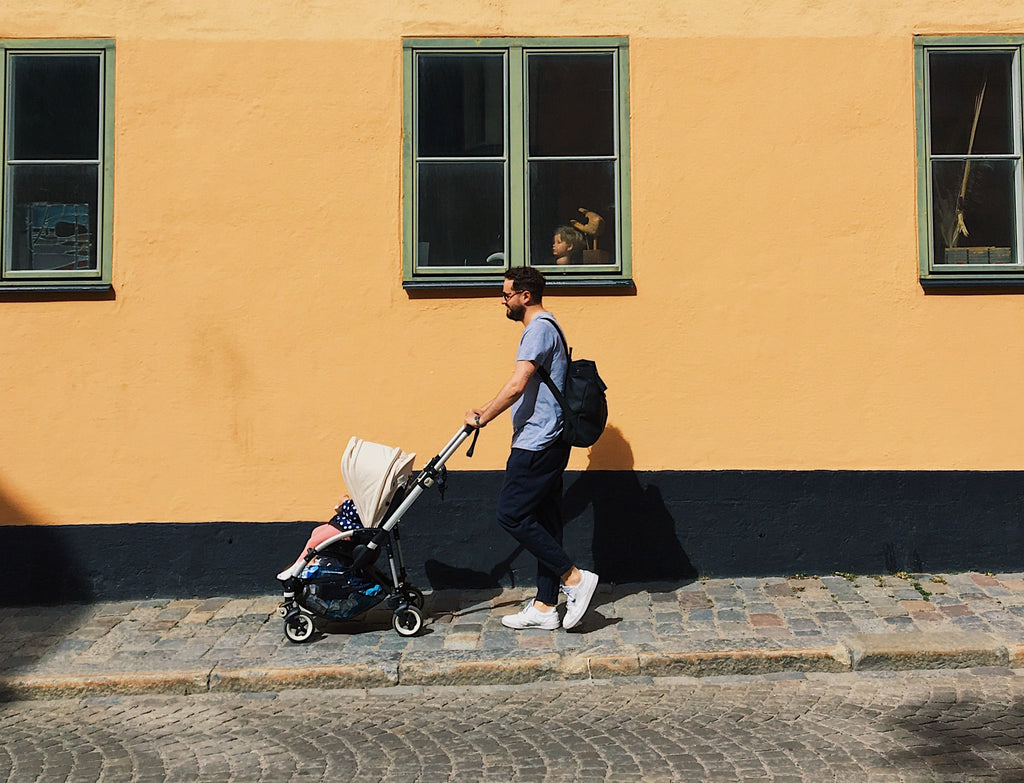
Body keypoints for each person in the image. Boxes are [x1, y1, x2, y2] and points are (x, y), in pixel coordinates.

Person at [465, 266, 599, 630]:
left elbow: (517, 384)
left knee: (511, 513)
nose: (503, 302)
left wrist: (484, 416)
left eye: (506, 295)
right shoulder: (550, 326)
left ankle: (574, 578)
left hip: (537, 440)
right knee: (546, 518)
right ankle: (544, 606)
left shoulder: (537, 330)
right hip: (551, 438)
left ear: (526, 296)